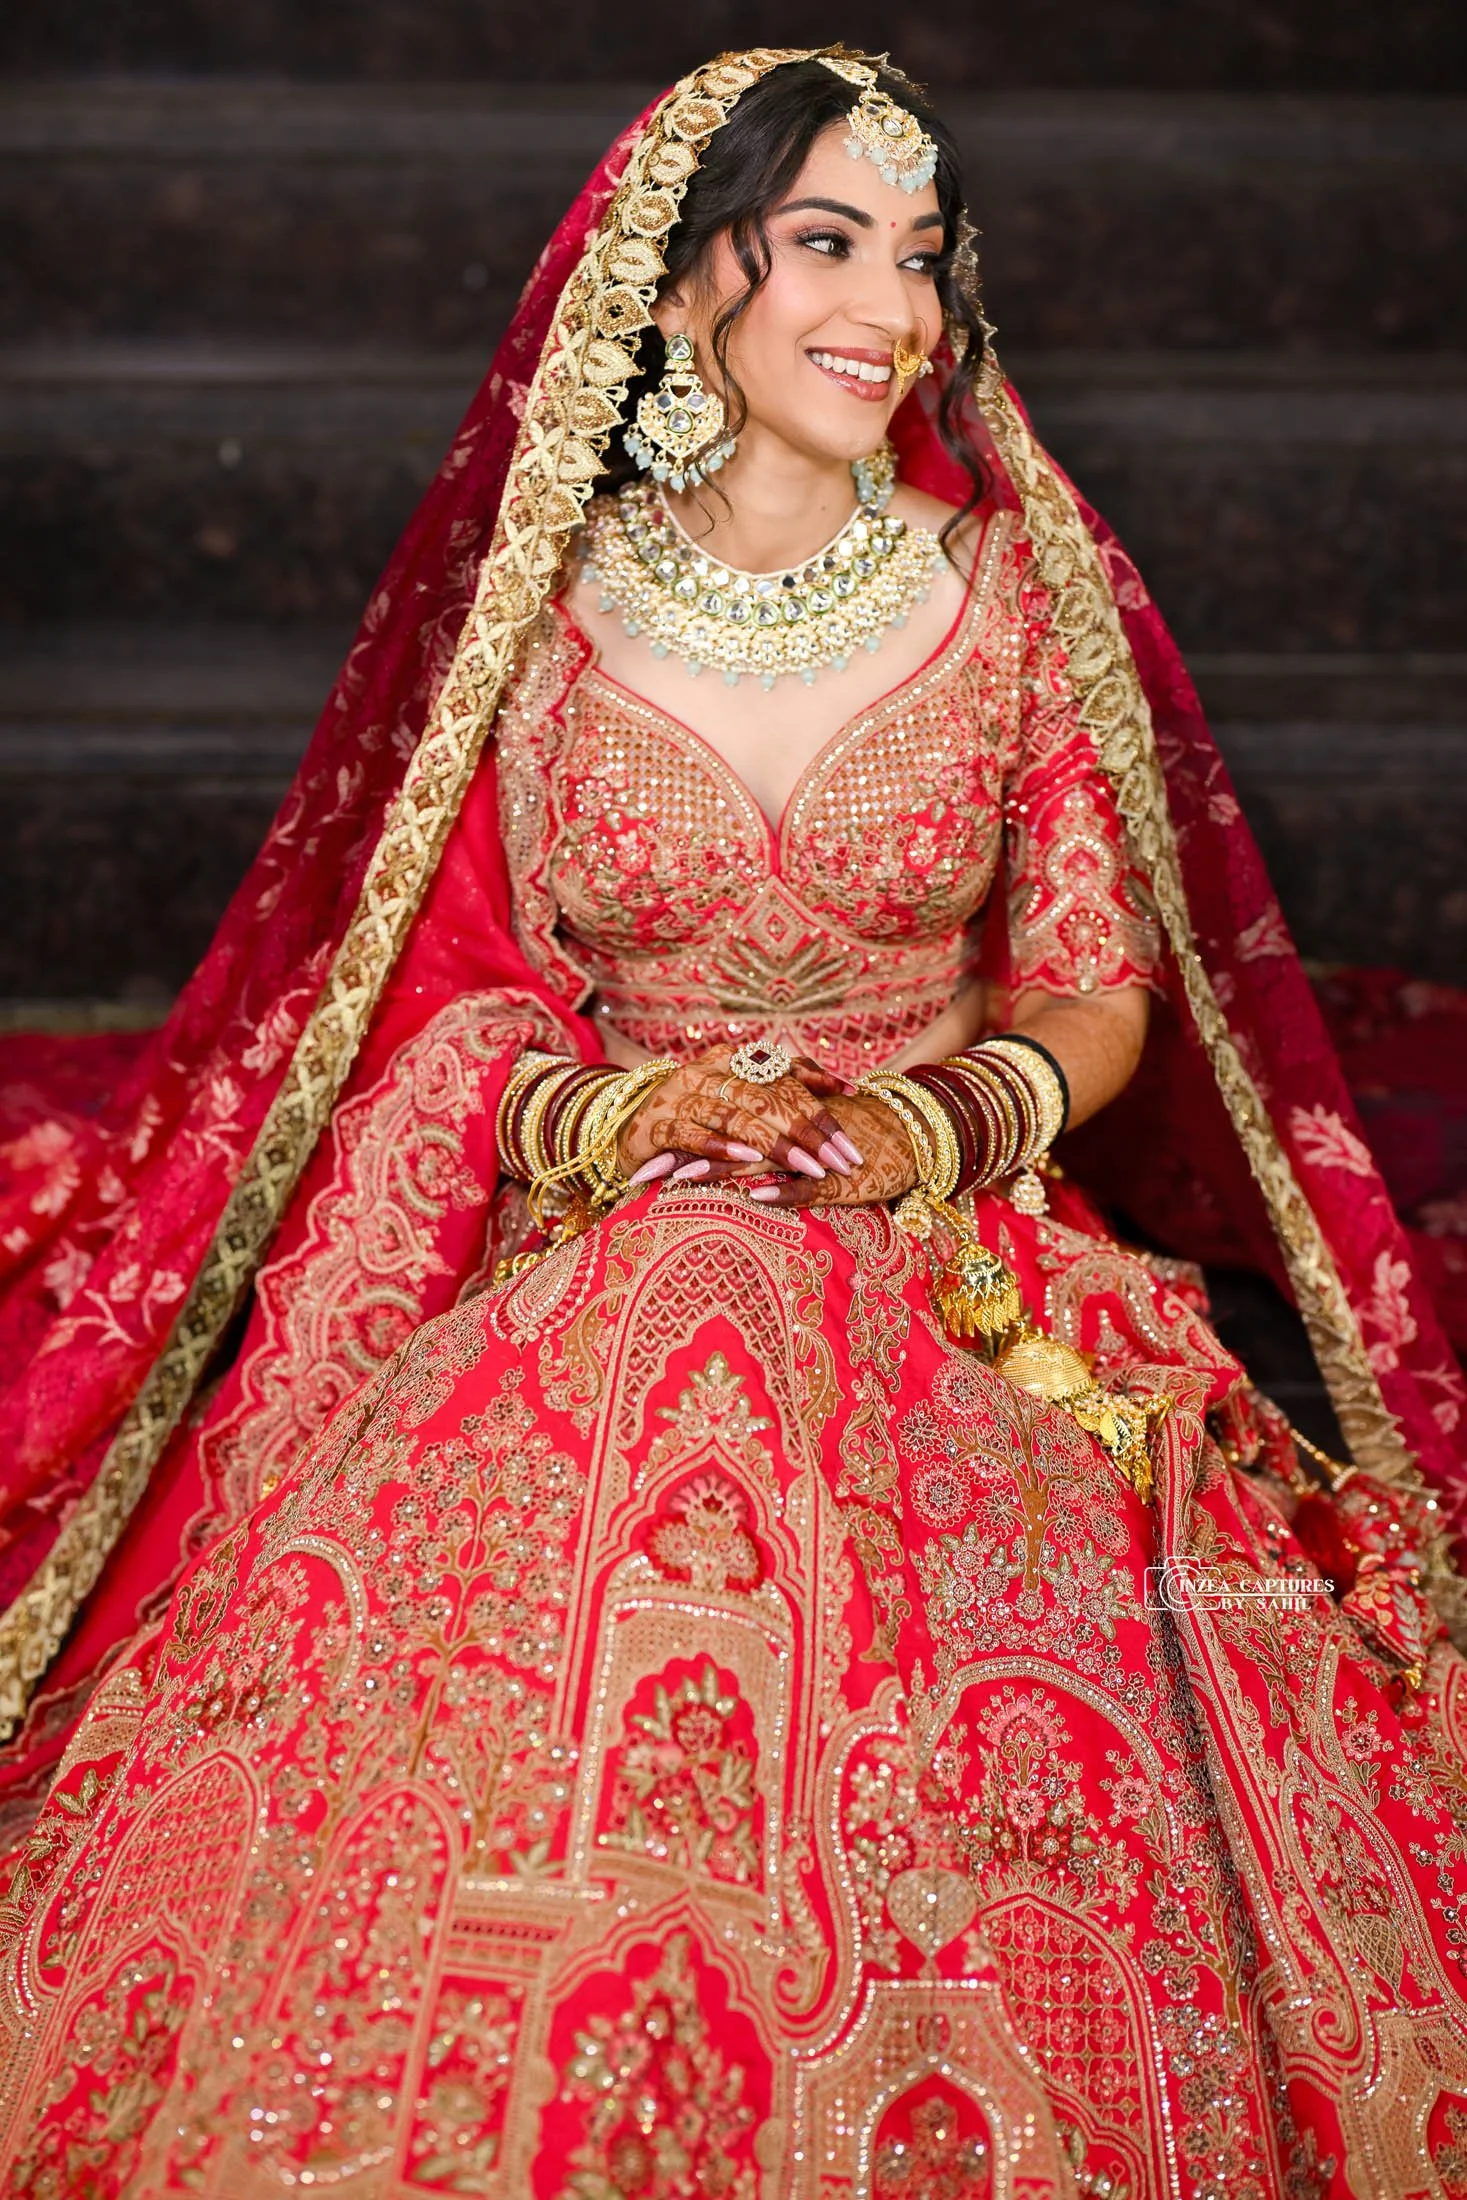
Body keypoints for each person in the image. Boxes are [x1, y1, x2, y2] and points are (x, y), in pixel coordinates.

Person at [0, 46, 1465, 2195]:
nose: (897, 305)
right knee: (662, 1326)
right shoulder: (543, 607)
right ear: (686, 291)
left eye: (925, 257)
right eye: (831, 243)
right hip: (618, 1217)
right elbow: (443, 987)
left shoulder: (1009, 600)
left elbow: (1093, 997)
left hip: (948, 1240)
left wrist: (913, 1129)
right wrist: (624, 1119)